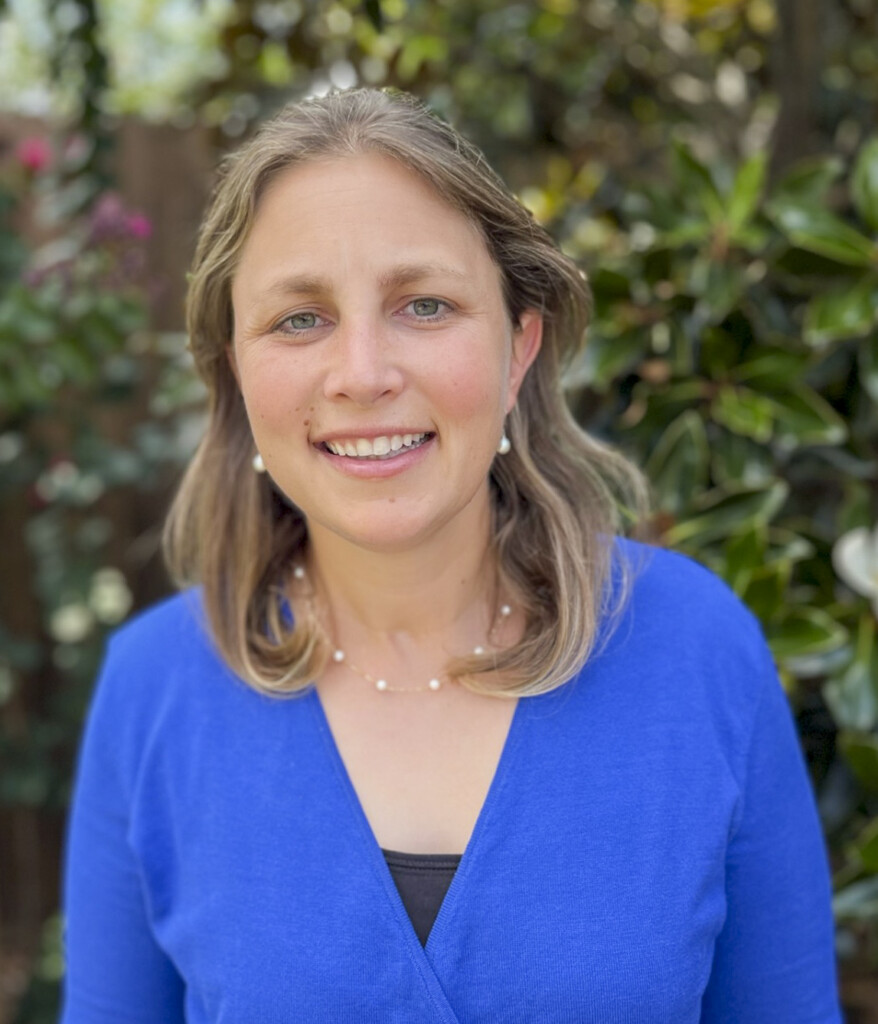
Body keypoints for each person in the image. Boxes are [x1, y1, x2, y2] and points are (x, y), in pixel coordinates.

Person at [60, 88, 842, 1023]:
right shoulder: (154, 690)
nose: (362, 373)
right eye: (299, 319)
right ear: (235, 371)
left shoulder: (697, 649)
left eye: (424, 304)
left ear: (519, 347)